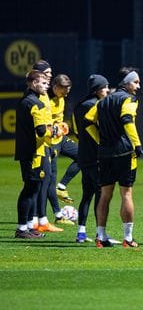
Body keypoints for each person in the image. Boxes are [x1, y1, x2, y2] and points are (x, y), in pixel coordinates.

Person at [85, 67, 143, 248]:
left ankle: (100, 237)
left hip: (105, 153)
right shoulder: (129, 99)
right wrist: (137, 144)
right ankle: (128, 238)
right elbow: (127, 119)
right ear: (126, 83)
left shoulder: (103, 101)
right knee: (126, 194)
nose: (138, 86)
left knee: (105, 195)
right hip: (124, 152)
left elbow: (88, 120)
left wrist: (100, 139)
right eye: (136, 82)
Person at [14, 70, 53, 239]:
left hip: (29, 151)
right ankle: (22, 228)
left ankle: (29, 226)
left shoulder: (26, 100)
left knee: (34, 188)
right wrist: (55, 131)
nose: (47, 86)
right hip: (33, 152)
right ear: (33, 83)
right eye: (43, 83)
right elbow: (41, 130)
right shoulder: (35, 103)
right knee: (30, 189)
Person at [72, 74, 110, 243]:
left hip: (83, 155)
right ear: (97, 89)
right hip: (96, 156)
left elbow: (76, 131)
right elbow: (101, 131)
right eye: (105, 87)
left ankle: (81, 233)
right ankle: (99, 233)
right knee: (100, 194)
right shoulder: (97, 106)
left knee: (86, 195)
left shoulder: (78, 105)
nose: (108, 90)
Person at [30, 60, 64, 233]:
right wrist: (54, 129)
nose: (50, 75)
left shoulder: (42, 94)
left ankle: (36, 220)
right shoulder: (37, 96)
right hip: (40, 145)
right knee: (41, 181)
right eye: (47, 72)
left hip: (47, 142)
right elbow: (41, 125)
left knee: (45, 180)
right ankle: (37, 220)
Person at [46, 74, 80, 225]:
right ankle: (58, 216)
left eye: (69, 89)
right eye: (64, 90)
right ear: (55, 87)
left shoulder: (61, 98)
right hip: (50, 142)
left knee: (84, 156)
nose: (67, 93)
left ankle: (62, 186)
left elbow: (56, 120)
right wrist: (54, 127)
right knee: (49, 180)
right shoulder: (46, 101)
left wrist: (62, 125)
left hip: (61, 139)